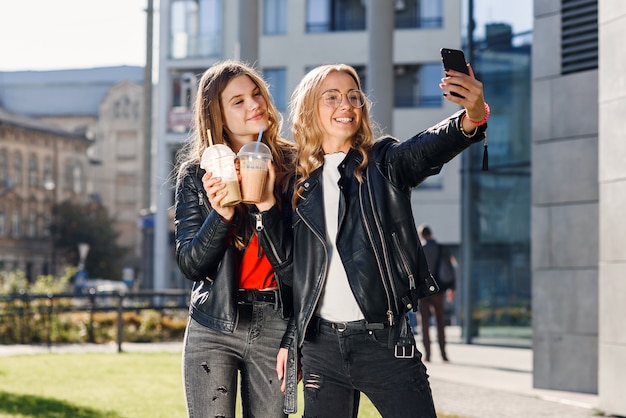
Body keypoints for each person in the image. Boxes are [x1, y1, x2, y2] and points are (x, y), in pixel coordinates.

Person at [280, 62, 489, 417]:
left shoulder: (383, 163)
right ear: (309, 109)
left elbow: (429, 147)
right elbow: (293, 274)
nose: (346, 105)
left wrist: (471, 114)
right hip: (321, 349)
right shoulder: (297, 183)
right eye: (331, 97)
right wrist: (292, 341)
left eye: (353, 96)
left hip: (385, 344)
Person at [173, 60, 294, 418]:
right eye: (238, 101)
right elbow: (191, 265)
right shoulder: (197, 175)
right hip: (214, 321)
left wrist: (268, 204)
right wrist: (221, 214)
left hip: (276, 322)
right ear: (218, 115)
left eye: (256, 94)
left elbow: (302, 265)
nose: (254, 104)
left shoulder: (294, 166)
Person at [417, 224, 456, 362]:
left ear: (421, 235)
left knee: (424, 324)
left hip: (422, 292)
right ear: (431, 234)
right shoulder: (442, 248)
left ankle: (427, 355)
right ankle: (443, 354)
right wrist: (452, 288)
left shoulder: (419, 250)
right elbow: (450, 268)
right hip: (439, 291)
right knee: (440, 322)